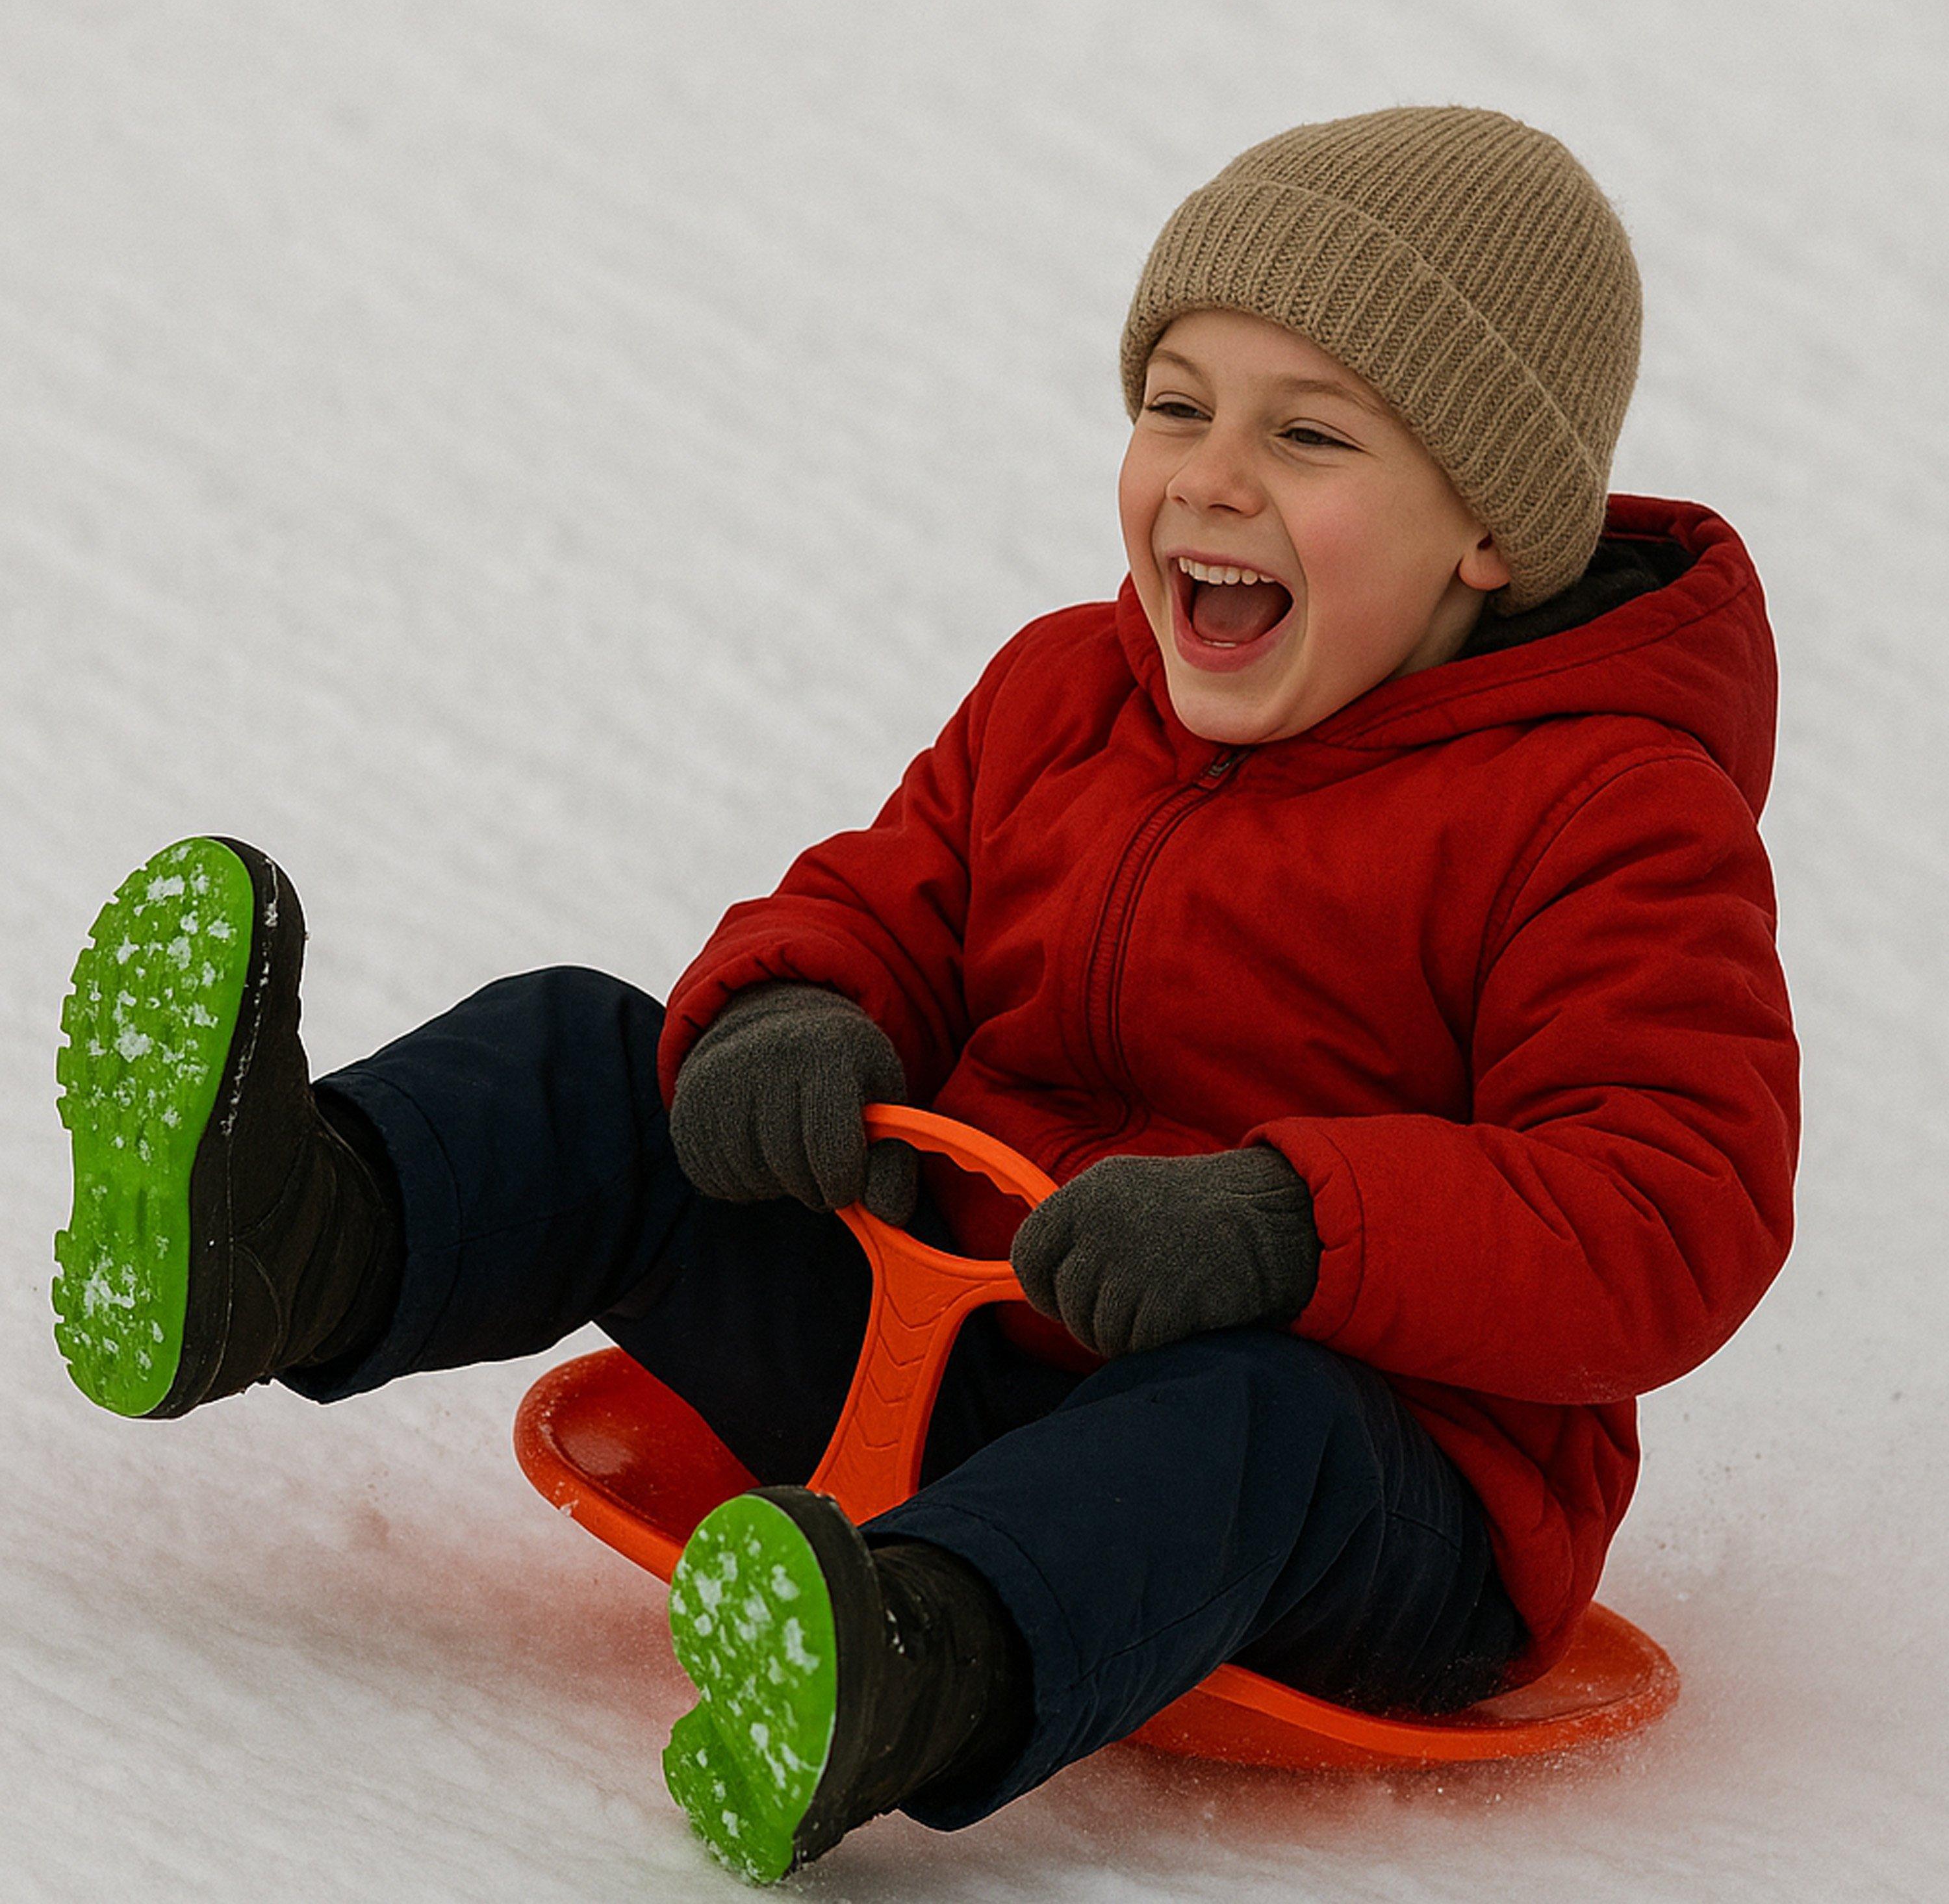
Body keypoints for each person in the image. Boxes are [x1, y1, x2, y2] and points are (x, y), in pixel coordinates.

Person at [51, 106, 1800, 1885]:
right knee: (599, 1053)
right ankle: (277, 1237)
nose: (1208, 476)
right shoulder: (1067, 692)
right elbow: (894, 896)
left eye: (1310, 435)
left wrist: (1294, 1229)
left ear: (1490, 530)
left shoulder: (1604, 811)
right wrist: (792, 1017)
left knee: (1245, 1421)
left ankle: (898, 1669)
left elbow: (1674, 1202)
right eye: (1176, 403)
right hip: (947, 1345)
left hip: (1358, 1506)